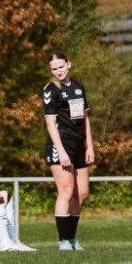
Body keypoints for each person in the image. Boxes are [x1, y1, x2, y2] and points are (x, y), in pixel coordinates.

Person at [42, 51, 95, 251]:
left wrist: (89, 145)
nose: (58, 71)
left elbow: (85, 119)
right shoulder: (51, 89)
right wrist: (61, 151)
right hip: (61, 145)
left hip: (78, 144)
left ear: (69, 65)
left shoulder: (78, 86)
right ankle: (63, 241)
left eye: (61, 67)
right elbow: (50, 123)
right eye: (54, 69)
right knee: (66, 191)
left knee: (81, 193)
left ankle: (72, 239)